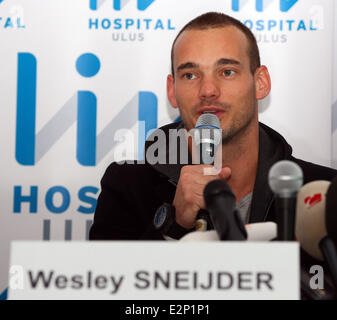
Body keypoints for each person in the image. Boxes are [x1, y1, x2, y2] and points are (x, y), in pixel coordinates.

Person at [90, 11, 336, 242]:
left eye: (227, 72)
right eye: (190, 75)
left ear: (260, 83)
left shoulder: (324, 193)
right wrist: (173, 224)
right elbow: (107, 283)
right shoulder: (126, 186)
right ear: (171, 91)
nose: (208, 91)